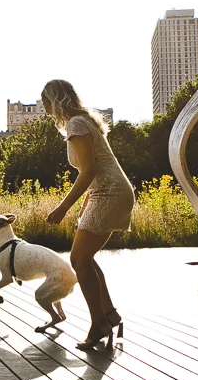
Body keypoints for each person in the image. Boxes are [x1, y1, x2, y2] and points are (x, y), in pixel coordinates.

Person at [42, 79, 134, 350]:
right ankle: (108, 315)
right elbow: (95, 171)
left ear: (56, 100)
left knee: (79, 260)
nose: (43, 106)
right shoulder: (83, 121)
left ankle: (99, 324)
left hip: (109, 192)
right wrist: (85, 204)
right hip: (105, 192)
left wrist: (63, 207)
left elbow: (89, 171)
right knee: (85, 259)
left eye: (45, 100)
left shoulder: (76, 124)